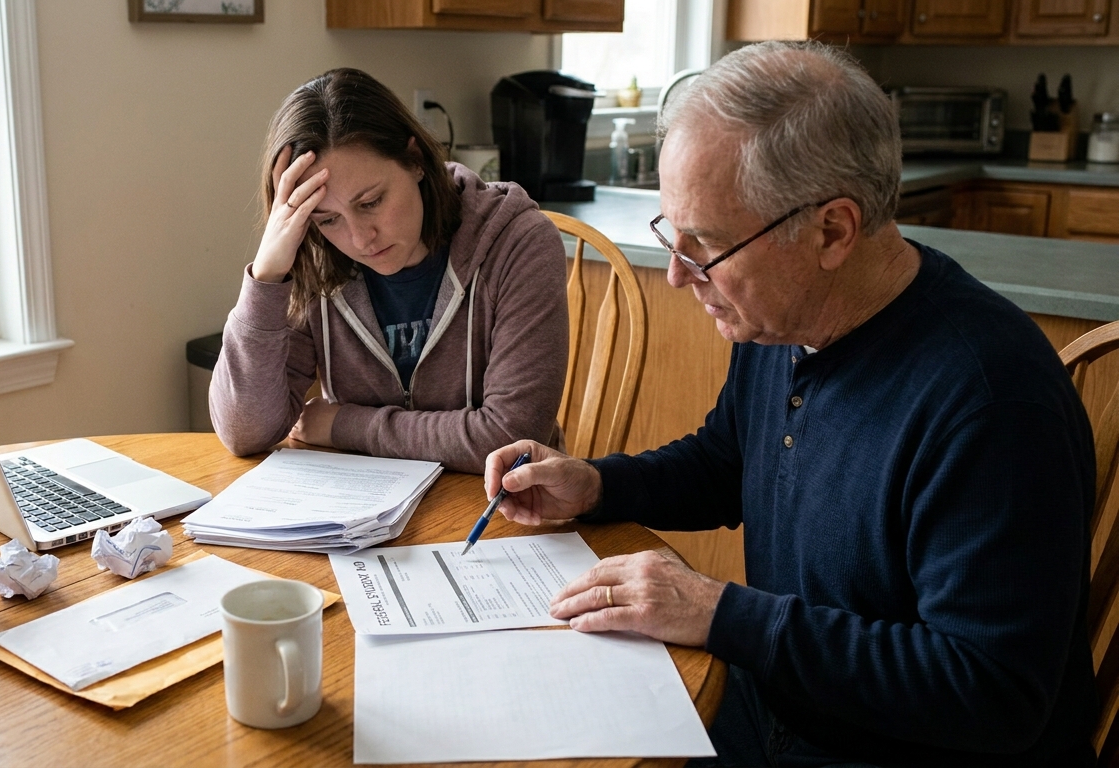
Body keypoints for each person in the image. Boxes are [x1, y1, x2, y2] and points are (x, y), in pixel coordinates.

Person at [484, 41, 1098, 767]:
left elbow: (991, 693)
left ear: (832, 230)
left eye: (704, 245)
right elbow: (726, 460)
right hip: (776, 708)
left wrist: (721, 613)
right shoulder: (784, 321)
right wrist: (596, 483)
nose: (679, 275)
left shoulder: (991, 402)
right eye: (669, 234)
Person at [210, 68, 568, 475]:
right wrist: (268, 275)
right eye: (328, 220)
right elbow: (244, 432)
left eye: (371, 202)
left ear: (414, 160)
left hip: (498, 512)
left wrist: (344, 423)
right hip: (363, 516)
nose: (361, 239)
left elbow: (509, 438)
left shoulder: (518, 242)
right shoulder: (317, 256)